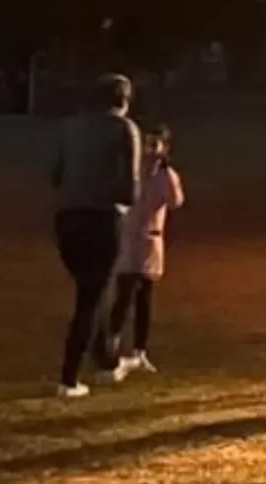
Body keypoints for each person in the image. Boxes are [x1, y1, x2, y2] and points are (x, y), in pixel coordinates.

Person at [52, 72, 142, 397]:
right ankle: (69, 377)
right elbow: (131, 189)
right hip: (101, 218)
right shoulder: (124, 128)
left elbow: (56, 175)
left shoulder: (70, 126)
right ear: (124, 99)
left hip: (65, 218)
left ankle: (105, 360)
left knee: (92, 289)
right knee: (90, 299)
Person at [112, 124, 185, 375]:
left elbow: (175, 202)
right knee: (124, 293)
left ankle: (139, 351)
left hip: (150, 241)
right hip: (129, 238)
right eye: (147, 143)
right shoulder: (131, 171)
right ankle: (112, 346)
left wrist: (167, 177)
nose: (150, 149)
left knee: (144, 297)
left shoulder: (165, 176)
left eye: (156, 144)